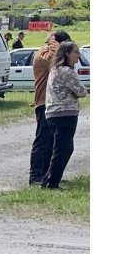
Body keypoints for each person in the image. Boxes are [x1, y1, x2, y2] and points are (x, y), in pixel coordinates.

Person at [41, 40, 87, 188]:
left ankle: (48, 178)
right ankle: (52, 182)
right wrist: (80, 91)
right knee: (62, 149)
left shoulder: (54, 69)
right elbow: (81, 91)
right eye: (76, 52)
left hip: (52, 113)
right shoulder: (66, 71)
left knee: (63, 148)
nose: (78, 55)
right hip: (65, 113)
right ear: (67, 54)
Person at [28, 30, 71, 185]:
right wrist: (53, 42)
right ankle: (35, 175)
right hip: (43, 103)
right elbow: (53, 59)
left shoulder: (50, 54)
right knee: (43, 140)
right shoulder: (43, 55)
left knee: (54, 142)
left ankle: (48, 175)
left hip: (54, 104)